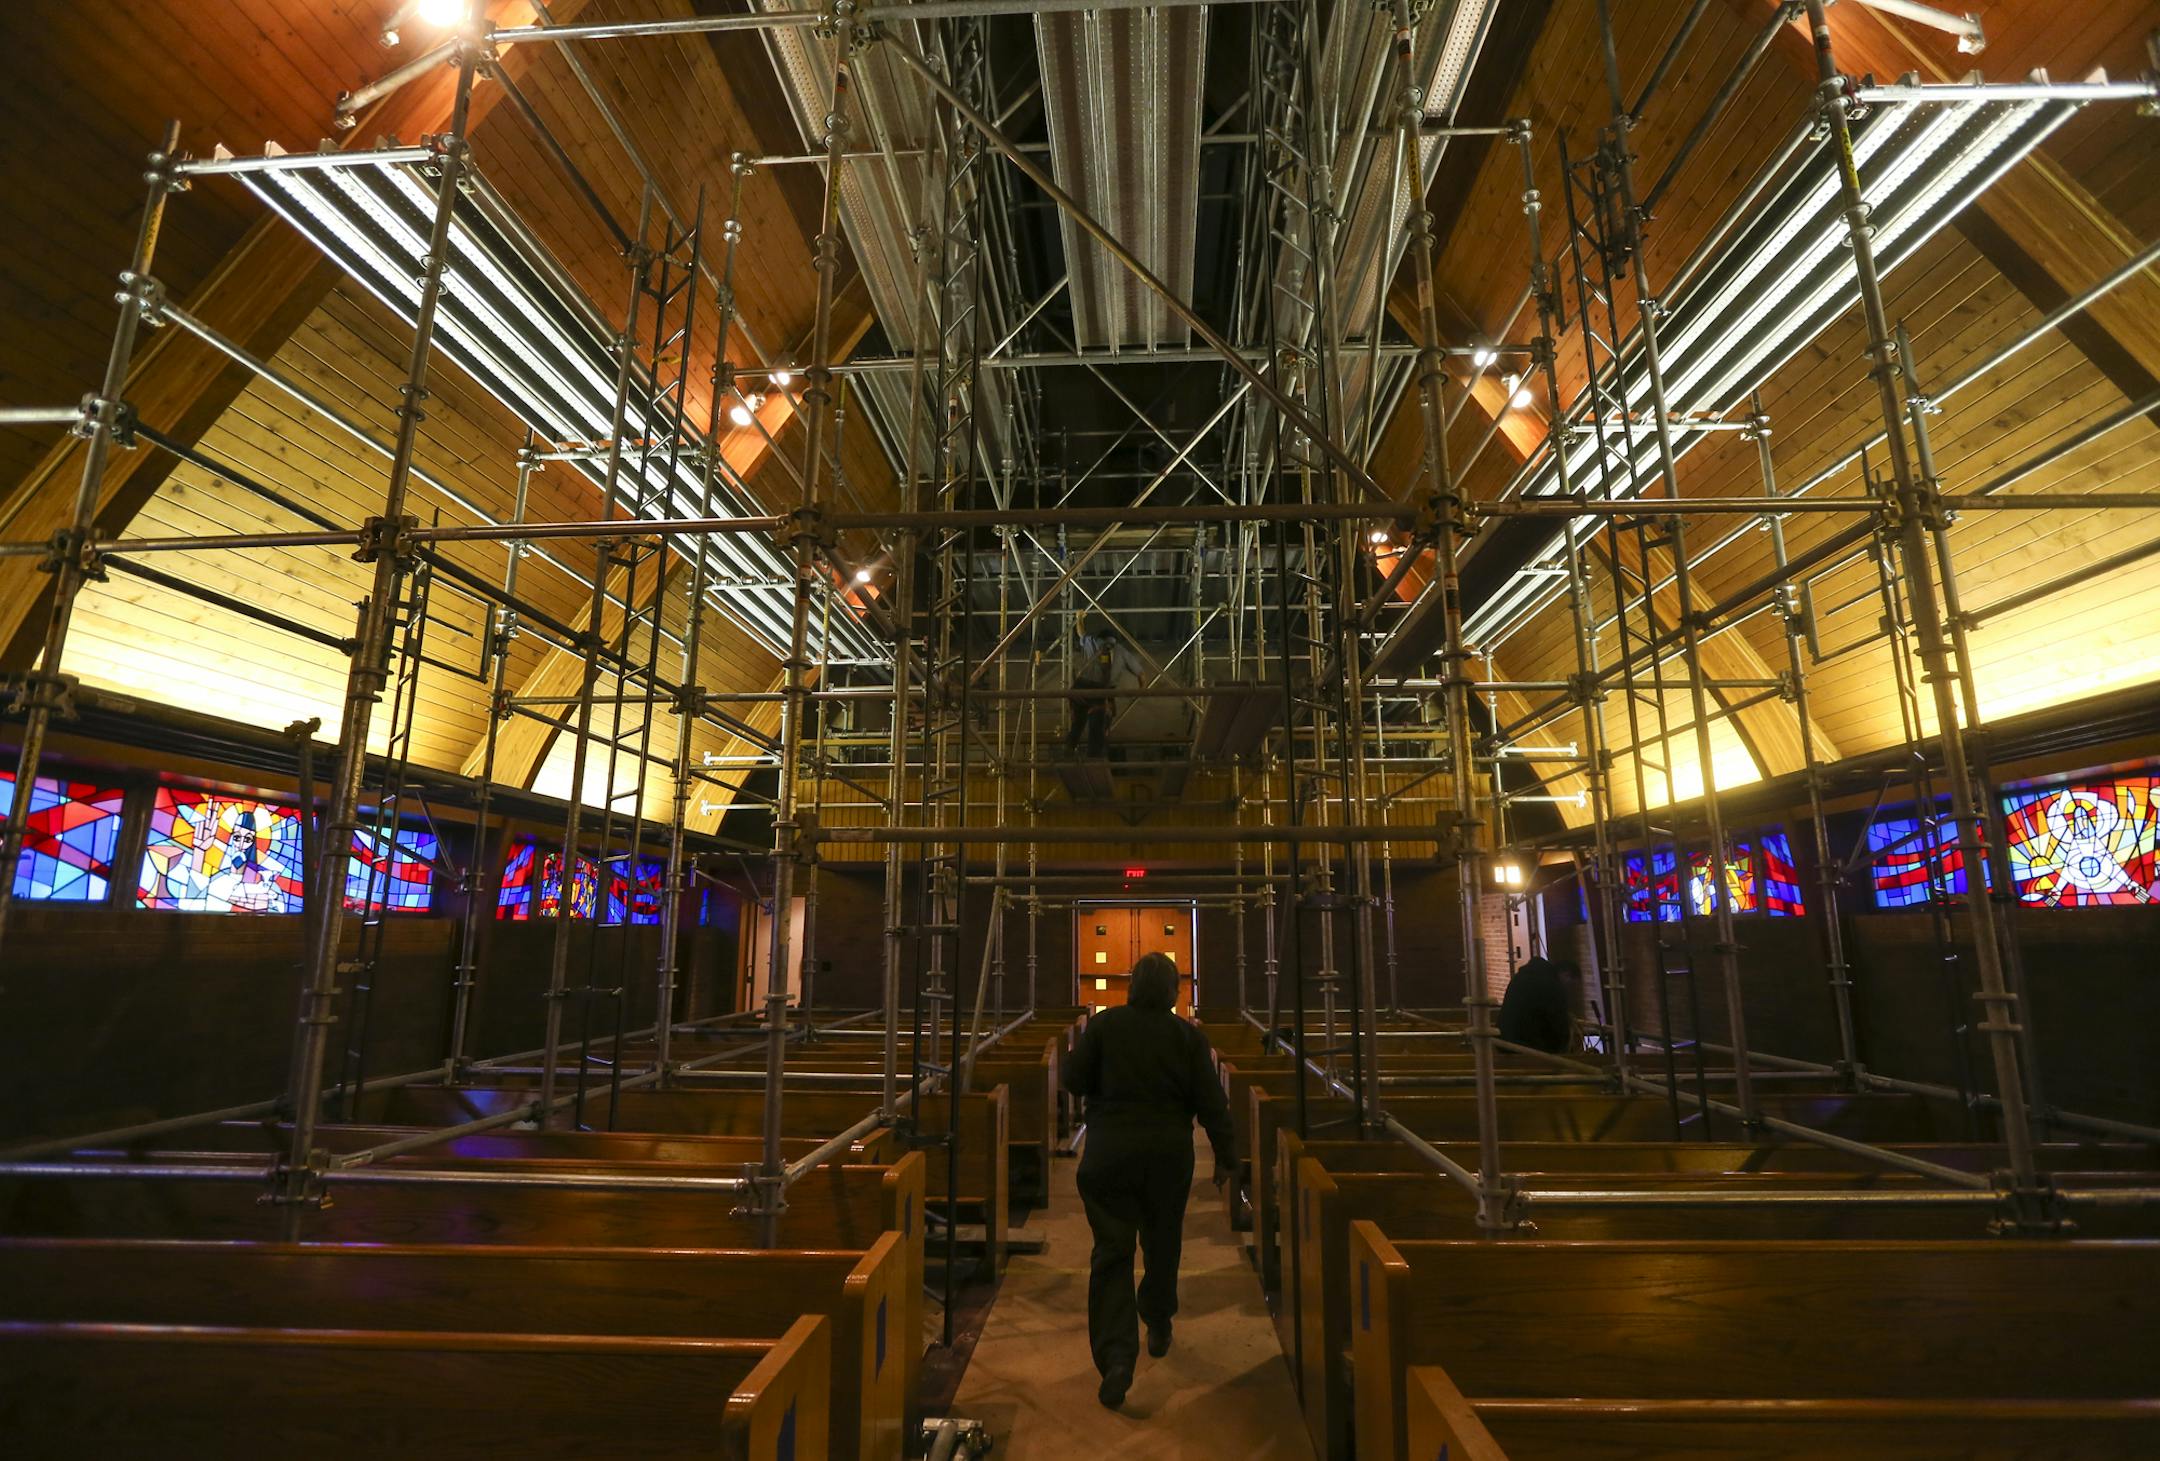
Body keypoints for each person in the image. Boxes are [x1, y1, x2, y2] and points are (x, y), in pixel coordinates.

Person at [1061, 951, 1236, 1410]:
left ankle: (1117, 1358)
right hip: (1166, 1154)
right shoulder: (1185, 1037)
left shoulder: (1104, 1026)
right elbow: (1212, 1102)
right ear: (1173, 991)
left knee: (1111, 1254)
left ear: (1133, 986)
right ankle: (1158, 1320)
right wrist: (1226, 1156)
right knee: (1162, 1243)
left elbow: (1072, 1080)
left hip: (1109, 1153)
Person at [1497, 953, 1578, 1054]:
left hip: (1504, 1041)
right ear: (1566, 974)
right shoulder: (1552, 987)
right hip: (1528, 1047)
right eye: (1570, 984)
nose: (1568, 989)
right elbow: (1558, 1024)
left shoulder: (1522, 975)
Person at [1064, 618, 1120, 757]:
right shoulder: (1106, 649)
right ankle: (1092, 757)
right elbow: (1106, 674)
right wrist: (1108, 697)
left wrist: (1079, 618)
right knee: (1095, 724)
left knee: (1079, 723)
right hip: (1094, 689)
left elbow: (1081, 632)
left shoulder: (1090, 641)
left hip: (1080, 687)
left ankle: (1069, 750)